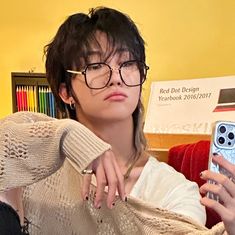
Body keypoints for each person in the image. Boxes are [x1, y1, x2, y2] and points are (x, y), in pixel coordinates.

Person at [0, 6, 234, 234]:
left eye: (128, 63)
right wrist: (69, 135)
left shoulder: (174, 189)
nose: (115, 77)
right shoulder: (42, 169)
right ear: (66, 93)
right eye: (95, 65)